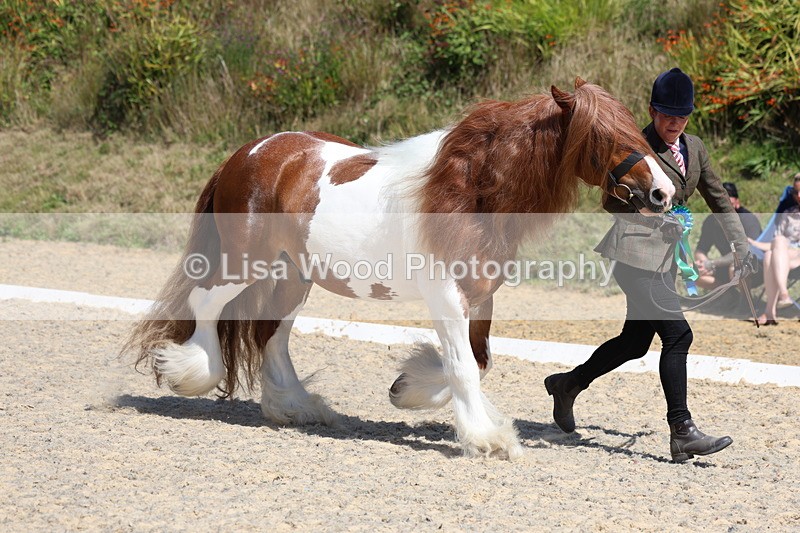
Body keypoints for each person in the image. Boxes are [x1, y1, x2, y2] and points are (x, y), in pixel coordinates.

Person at [544, 68, 750, 462]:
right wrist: (649, 211)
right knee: (678, 335)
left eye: (682, 116)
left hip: (666, 260)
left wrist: (741, 248)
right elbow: (609, 201)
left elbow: (719, 199)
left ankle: (567, 384)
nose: (674, 123)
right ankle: (682, 430)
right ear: (653, 111)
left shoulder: (696, 148)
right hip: (634, 255)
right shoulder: (633, 145)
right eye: (667, 115)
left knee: (635, 343)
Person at [749, 177, 800, 325]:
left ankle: (770, 310)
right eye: (796, 192)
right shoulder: (788, 213)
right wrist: (753, 243)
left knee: (775, 250)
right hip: (785, 254)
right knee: (771, 253)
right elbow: (774, 244)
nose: (799, 196)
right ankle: (780, 300)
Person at [694, 182, 762, 290]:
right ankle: (729, 297)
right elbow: (700, 250)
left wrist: (712, 263)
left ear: (737, 203)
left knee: (736, 267)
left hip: (753, 268)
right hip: (725, 266)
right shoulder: (711, 221)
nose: (723, 208)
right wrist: (703, 264)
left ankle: (745, 304)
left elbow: (746, 252)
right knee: (691, 273)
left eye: (727, 204)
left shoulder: (748, 219)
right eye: (718, 204)